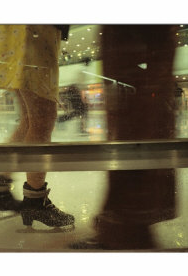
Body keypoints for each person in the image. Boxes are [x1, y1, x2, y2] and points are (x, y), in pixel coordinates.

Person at [72, 25, 179, 250]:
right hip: (132, 80)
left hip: (134, 83)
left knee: (134, 136)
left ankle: (126, 228)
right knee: (130, 135)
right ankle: (125, 225)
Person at [0, 25, 74, 228]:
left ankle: (1, 190)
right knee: (42, 118)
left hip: (16, 30)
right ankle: (36, 200)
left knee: (29, 119)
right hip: (34, 28)